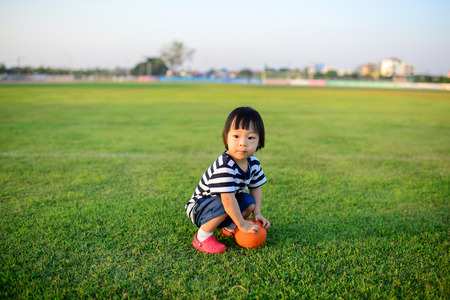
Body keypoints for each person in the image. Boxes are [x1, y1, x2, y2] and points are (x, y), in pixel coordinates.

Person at [185, 106, 271, 254]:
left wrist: (257, 213)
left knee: (249, 202)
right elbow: (227, 200)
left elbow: (256, 187)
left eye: (250, 138)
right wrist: (242, 223)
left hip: (222, 204)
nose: (243, 143)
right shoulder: (225, 166)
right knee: (228, 201)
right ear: (226, 137)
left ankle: (229, 228)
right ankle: (202, 237)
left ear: (259, 141)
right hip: (200, 208)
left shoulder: (253, 162)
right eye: (236, 136)